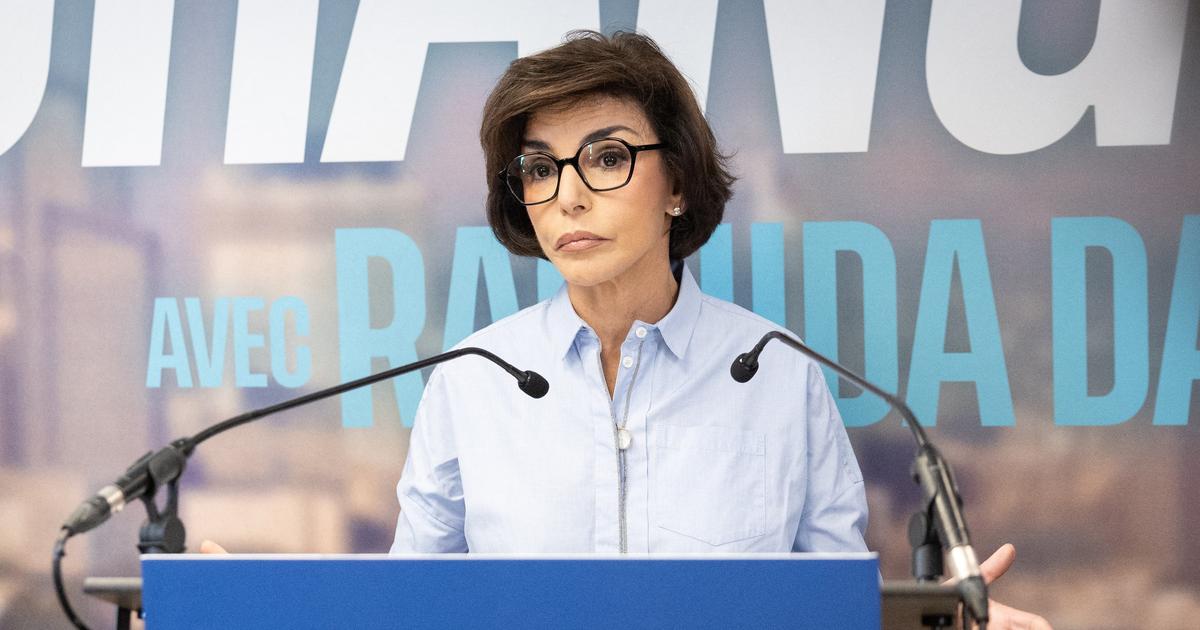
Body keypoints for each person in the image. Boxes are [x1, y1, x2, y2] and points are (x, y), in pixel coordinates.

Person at [206, 29, 1050, 629]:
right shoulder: (472, 378)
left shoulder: (779, 375)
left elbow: (829, 614)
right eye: (540, 168)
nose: (569, 196)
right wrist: (248, 615)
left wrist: (940, 623)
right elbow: (412, 614)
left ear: (676, 184)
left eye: (607, 158)